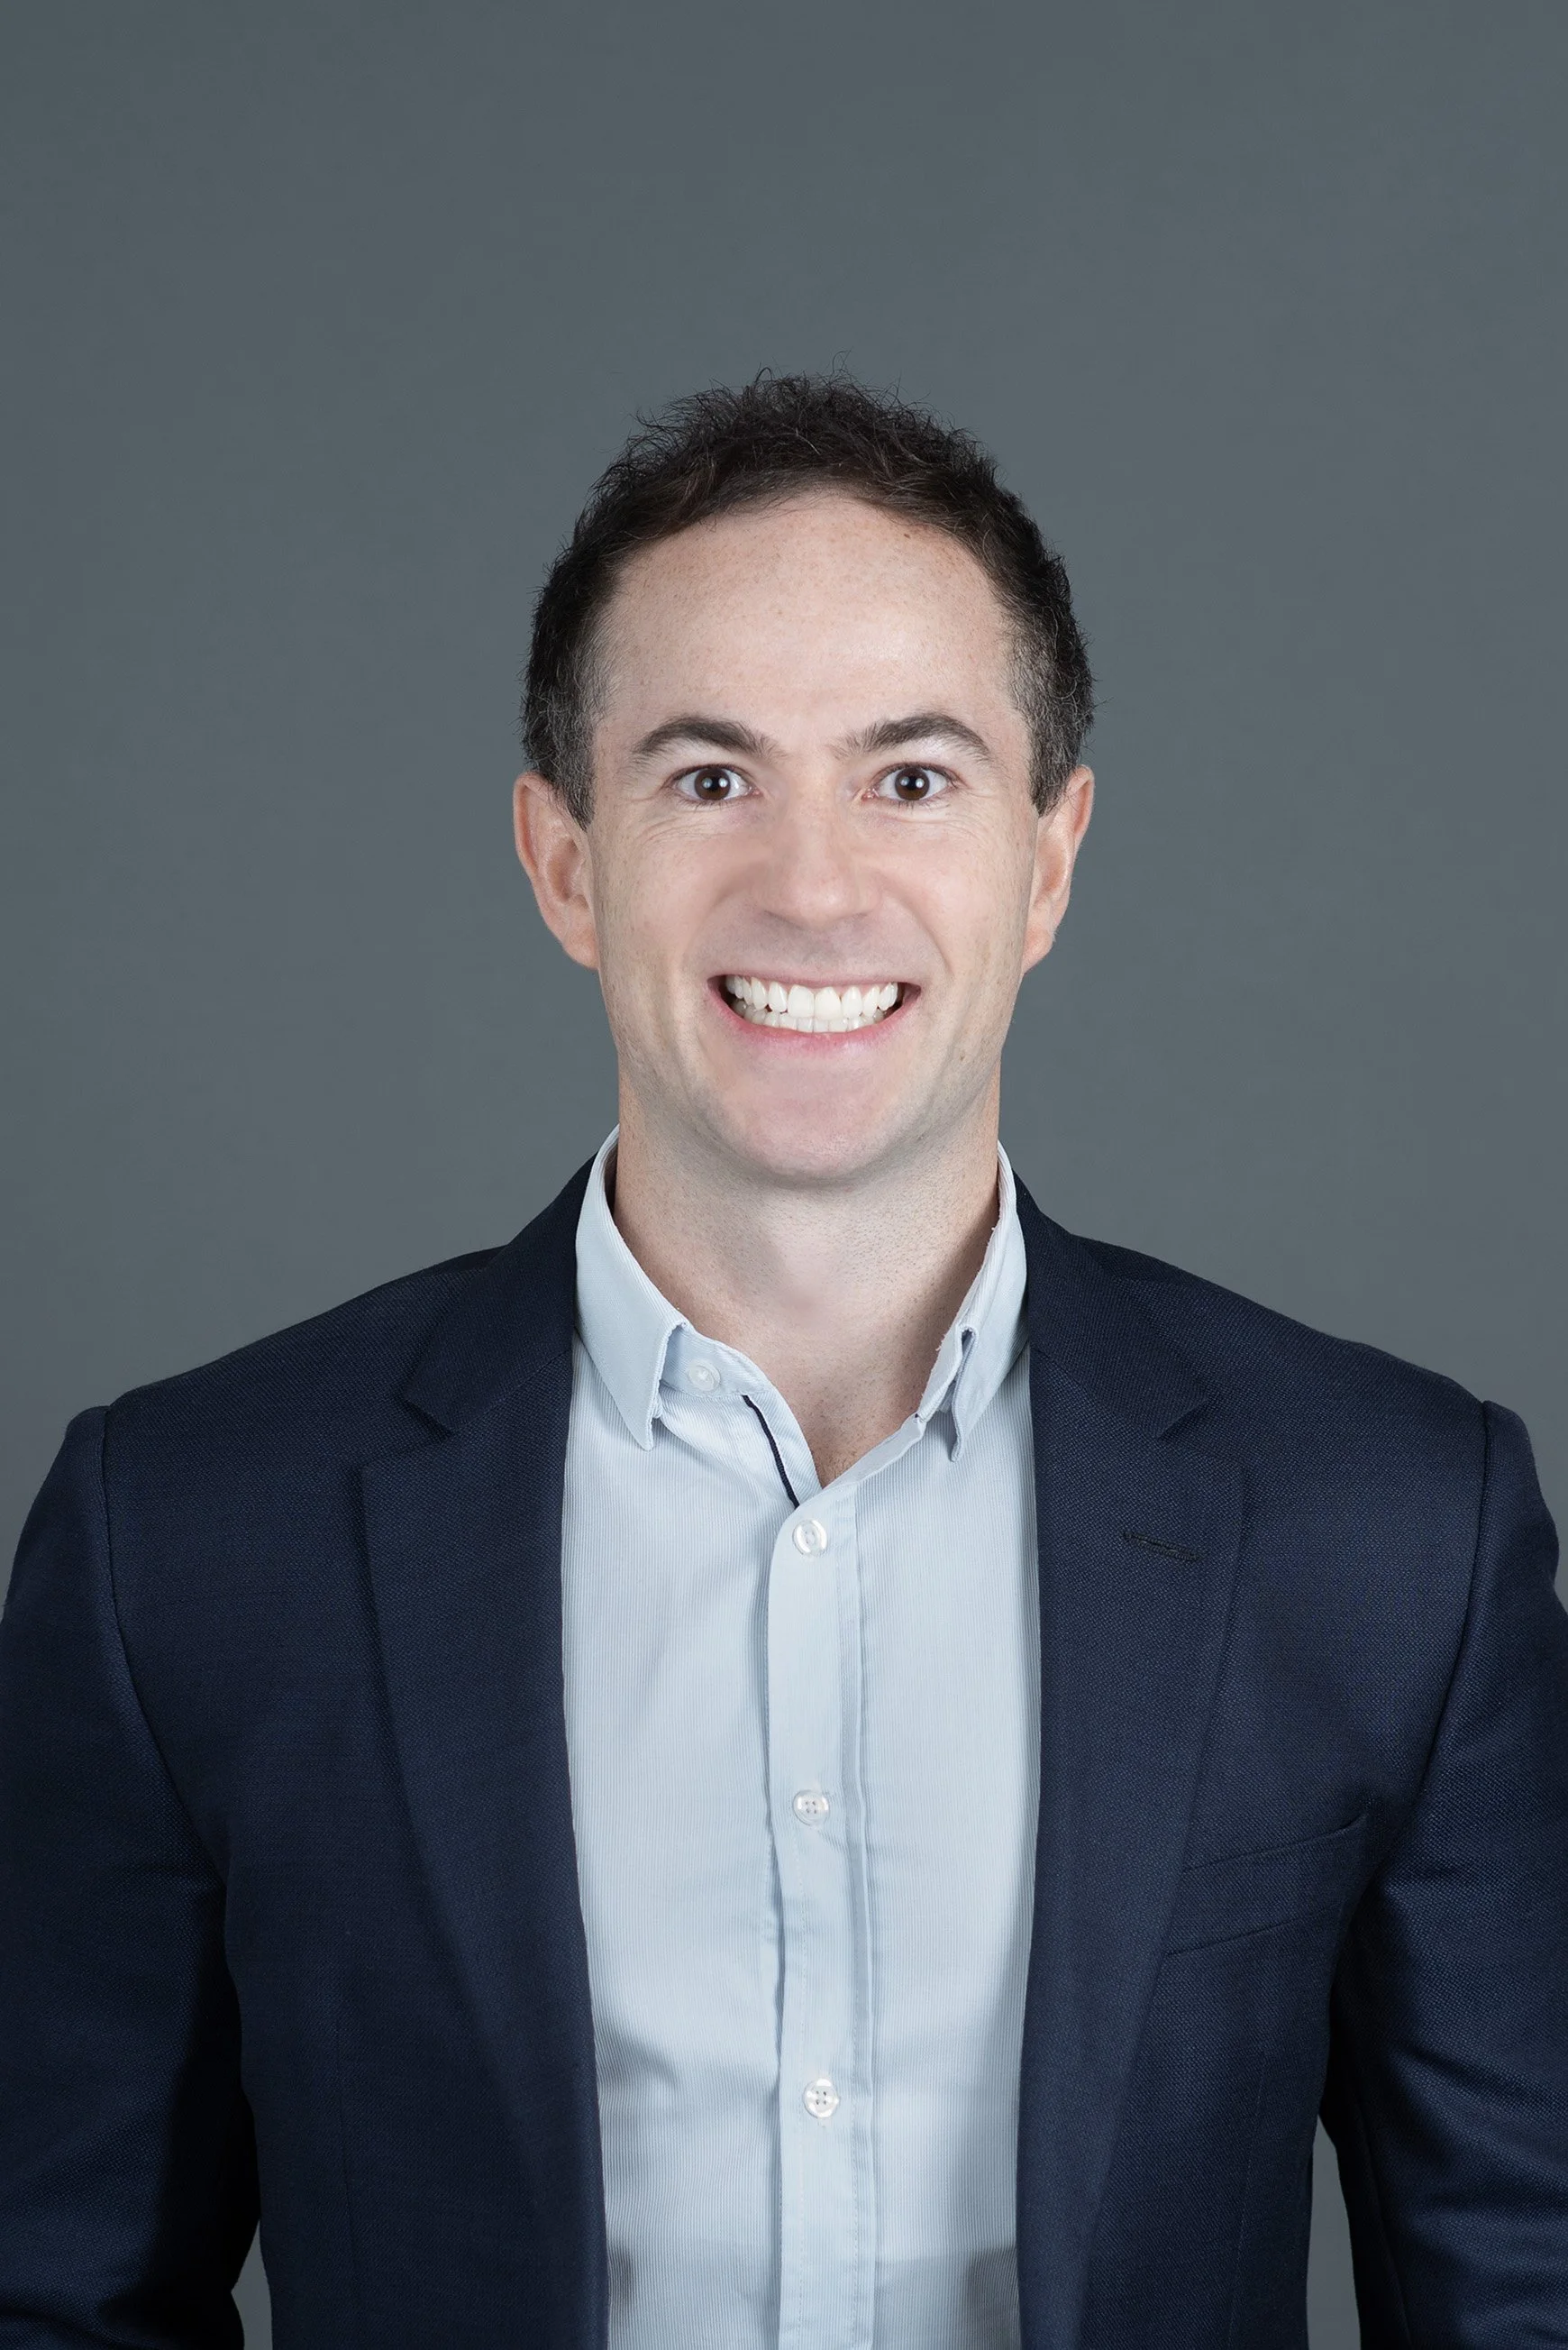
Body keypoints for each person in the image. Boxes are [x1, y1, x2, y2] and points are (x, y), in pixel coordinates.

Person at [1, 373, 1564, 2350]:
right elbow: (56, 2297)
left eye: (910, 778)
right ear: (566, 858)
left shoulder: (1391, 1529)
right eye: (707, 775)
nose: (813, 888)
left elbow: (1523, 2290)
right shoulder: (194, 1541)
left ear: (1049, 858)